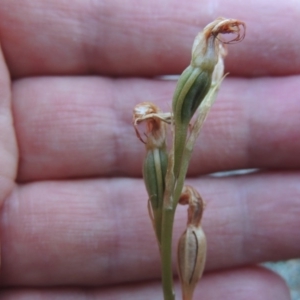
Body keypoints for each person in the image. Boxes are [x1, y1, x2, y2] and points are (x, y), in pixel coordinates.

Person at [0, 0, 299, 299]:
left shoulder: (196, 82)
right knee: (164, 210)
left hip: (190, 97)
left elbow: (183, 120)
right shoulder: (174, 117)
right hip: (171, 131)